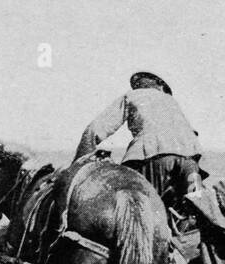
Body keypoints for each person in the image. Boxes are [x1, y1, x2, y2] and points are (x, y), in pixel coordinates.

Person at [74, 71, 204, 207]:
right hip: (190, 160)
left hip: (152, 156)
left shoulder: (131, 96)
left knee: (136, 209)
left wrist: (79, 164)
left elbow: (96, 128)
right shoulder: (171, 101)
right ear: (160, 86)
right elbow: (192, 133)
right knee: (199, 205)